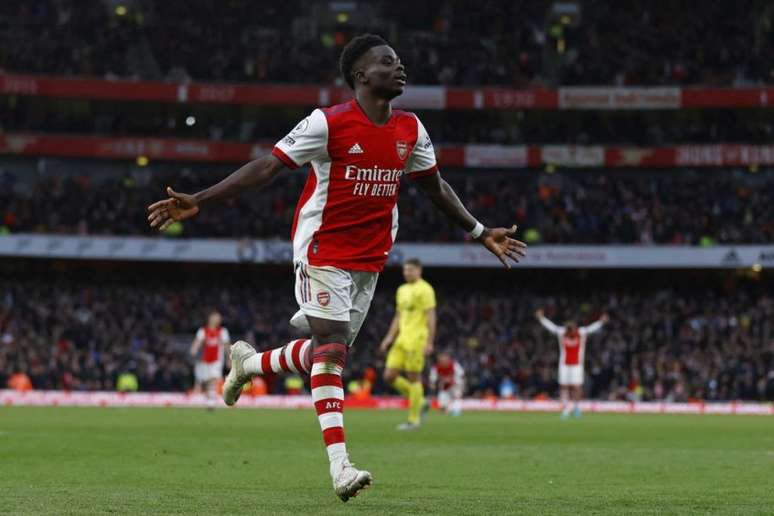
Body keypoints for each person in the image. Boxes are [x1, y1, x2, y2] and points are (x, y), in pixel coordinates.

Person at [147, 33, 527, 502]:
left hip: (369, 260)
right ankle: (340, 466)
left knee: (324, 350)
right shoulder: (327, 123)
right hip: (321, 249)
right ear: (361, 75)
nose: (400, 67)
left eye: (400, 61)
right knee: (331, 347)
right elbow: (269, 166)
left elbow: (434, 187)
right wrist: (201, 200)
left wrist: (479, 230)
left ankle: (249, 362)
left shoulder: (411, 129)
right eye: (388, 62)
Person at [379, 258, 436, 430]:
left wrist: (430, 341)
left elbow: (431, 315)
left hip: (417, 339)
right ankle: (422, 402)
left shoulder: (425, 289)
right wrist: (389, 337)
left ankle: (414, 420)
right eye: (405, 270)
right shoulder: (401, 290)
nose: (407, 273)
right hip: (401, 339)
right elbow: (398, 316)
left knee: (414, 378)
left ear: (419, 270)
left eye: (410, 270)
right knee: (389, 376)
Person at [535, 309, 608, 419]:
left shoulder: (581, 333)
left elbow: (592, 328)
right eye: (568, 330)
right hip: (564, 364)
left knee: (577, 387)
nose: (570, 332)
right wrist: (541, 319)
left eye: (572, 329)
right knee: (564, 387)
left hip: (577, 365)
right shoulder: (562, 333)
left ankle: (577, 408)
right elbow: (551, 327)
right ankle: (565, 409)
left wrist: (601, 322)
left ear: (575, 328)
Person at [190, 311, 230, 409]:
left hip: (217, 360)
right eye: (216, 318)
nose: (218, 320)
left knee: (214, 378)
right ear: (210, 319)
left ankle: (211, 400)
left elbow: (226, 346)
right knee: (206, 380)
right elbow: (198, 341)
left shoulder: (222, 331)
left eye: (219, 318)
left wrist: (229, 359)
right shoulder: (203, 330)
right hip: (204, 360)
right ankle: (209, 398)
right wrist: (194, 349)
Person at [429, 351, 465, 416]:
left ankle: (456, 411)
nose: (443, 361)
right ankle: (444, 409)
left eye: (445, 359)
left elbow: (461, 374)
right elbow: (432, 377)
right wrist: (433, 384)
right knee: (442, 398)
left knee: (457, 395)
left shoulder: (454, 365)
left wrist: (453, 380)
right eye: (442, 360)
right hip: (444, 386)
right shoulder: (436, 367)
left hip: (455, 384)